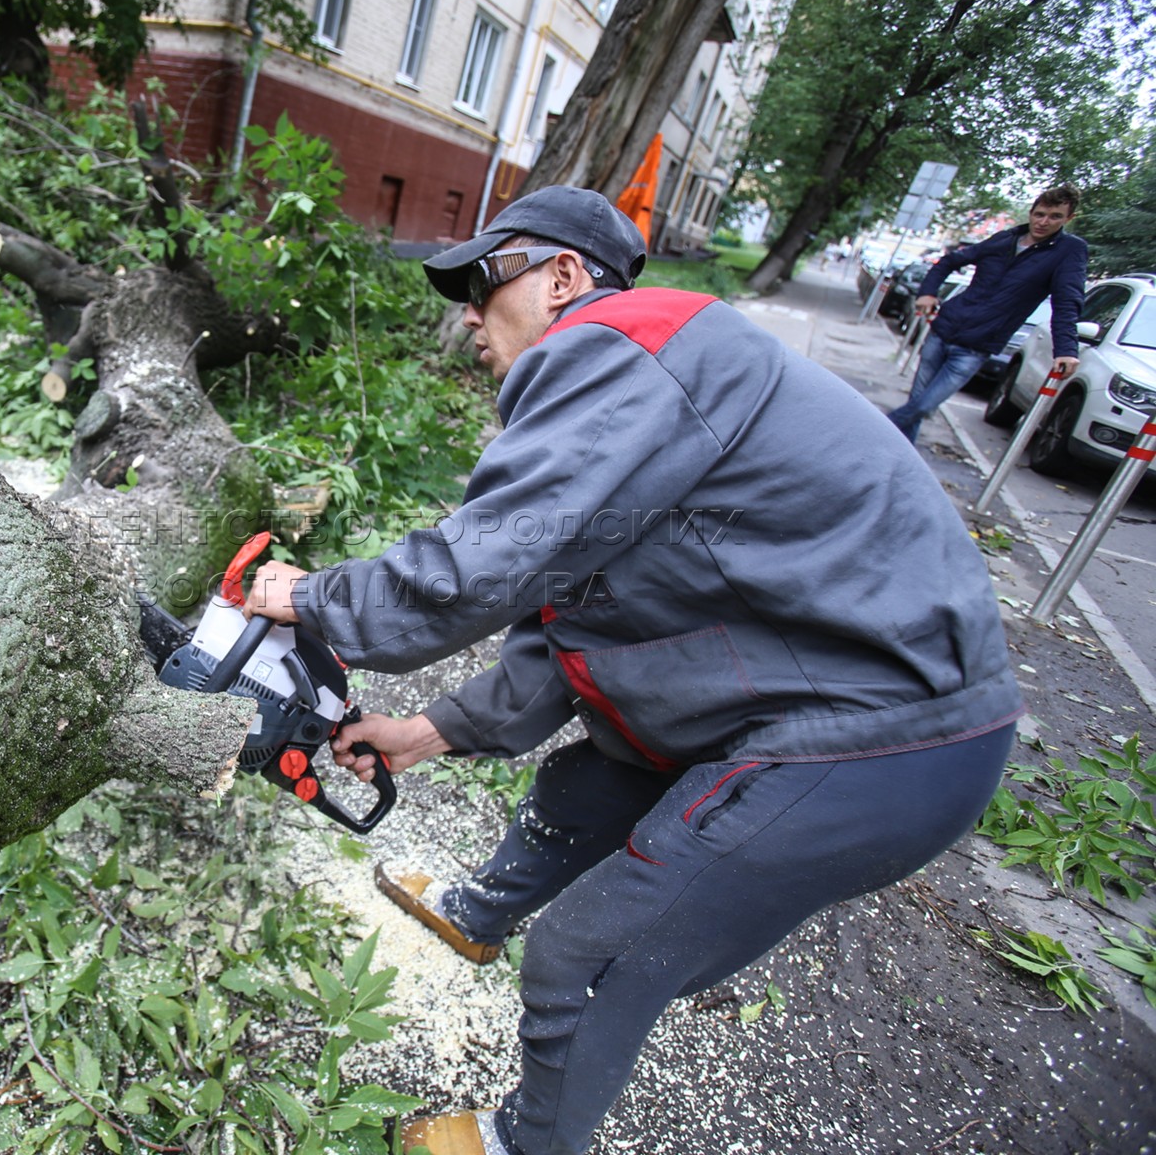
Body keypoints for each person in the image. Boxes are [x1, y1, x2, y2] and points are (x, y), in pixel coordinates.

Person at [241, 186, 1022, 1155]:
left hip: (889, 727)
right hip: (806, 679)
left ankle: (530, 1143)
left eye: (484, 286)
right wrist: (421, 732)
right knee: (591, 776)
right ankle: (478, 913)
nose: (471, 320)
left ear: (565, 279)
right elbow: (573, 628)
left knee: (591, 950)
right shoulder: (640, 400)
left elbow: (475, 569)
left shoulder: (624, 345)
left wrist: (308, 599)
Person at [884, 185, 1088, 444]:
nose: (1043, 222)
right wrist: (928, 292)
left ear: (1068, 219)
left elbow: (1067, 301)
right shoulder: (1004, 239)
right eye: (1039, 214)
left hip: (976, 345)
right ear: (1032, 211)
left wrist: (1067, 349)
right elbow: (949, 261)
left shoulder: (1068, 251)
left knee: (924, 406)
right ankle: (896, 458)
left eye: (1055, 216)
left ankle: (876, 430)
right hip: (944, 329)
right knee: (916, 404)